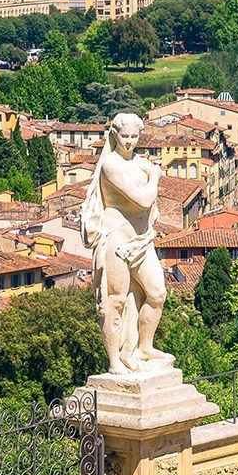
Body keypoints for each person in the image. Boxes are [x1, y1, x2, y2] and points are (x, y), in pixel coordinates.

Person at [82, 113, 174, 375]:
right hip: (117, 241)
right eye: (125, 137)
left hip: (142, 241)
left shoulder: (138, 162)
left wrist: (150, 171)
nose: (130, 142)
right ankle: (114, 361)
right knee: (116, 302)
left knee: (157, 294)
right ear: (114, 135)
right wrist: (155, 177)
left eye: (135, 137)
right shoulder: (111, 166)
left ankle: (144, 347)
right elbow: (144, 200)